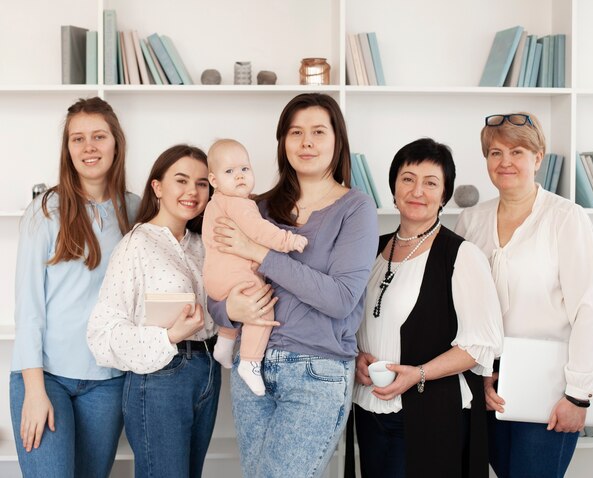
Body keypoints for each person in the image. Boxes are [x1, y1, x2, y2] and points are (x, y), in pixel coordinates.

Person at [207, 93, 379, 477]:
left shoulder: (356, 209)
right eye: (295, 132)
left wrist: (262, 253)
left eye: (318, 131)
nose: (306, 142)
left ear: (338, 140)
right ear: (282, 142)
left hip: (316, 372)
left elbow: (340, 299)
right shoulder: (256, 206)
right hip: (251, 369)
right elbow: (219, 282)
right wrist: (228, 310)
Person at [455, 113, 593, 477]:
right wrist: (480, 374)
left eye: (517, 151)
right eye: (495, 153)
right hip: (489, 384)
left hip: (551, 386)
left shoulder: (566, 218)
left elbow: (590, 309)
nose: (505, 162)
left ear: (538, 157)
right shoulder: (471, 221)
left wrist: (578, 395)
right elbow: (465, 308)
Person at [352, 138, 504, 478]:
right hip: (369, 408)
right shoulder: (371, 249)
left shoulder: (461, 256)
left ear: (444, 195)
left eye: (431, 182)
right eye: (408, 178)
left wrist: (418, 374)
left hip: (430, 415)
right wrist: (357, 357)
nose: (417, 190)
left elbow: (480, 344)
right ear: (393, 187)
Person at [9, 97, 140, 478]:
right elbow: (29, 309)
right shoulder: (46, 211)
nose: (89, 147)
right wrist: (35, 392)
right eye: (77, 139)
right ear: (67, 149)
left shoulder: (136, 211)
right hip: (45, 378)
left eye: (98, 136)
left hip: (108, 382)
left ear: (116, 142)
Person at [87, 144, 219, 478]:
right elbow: (102, 333)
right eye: (181, 180)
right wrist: (169, 336)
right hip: (161, 379)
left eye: (202, 183)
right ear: (157, 187)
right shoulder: (137, 245)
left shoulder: (205, 245)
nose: (192, 191)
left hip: (208, 372)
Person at [202, 138, 308, 396]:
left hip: (215, 278)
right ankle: (250, 362)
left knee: (239, 301)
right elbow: (260, 231)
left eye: (244, 169)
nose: (239, 177)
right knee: (261, 307)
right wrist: (289, 240)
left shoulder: (214, 204)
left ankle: (224, 345)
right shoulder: (240, 204)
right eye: (229, 172)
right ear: (214, 181)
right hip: (235, 275)